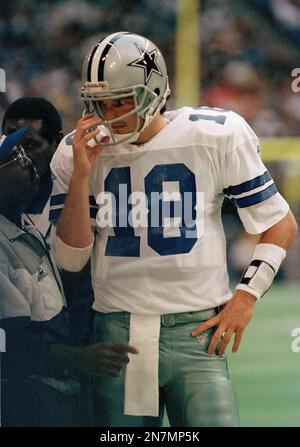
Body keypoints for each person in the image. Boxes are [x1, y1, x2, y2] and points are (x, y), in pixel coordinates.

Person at [50, 32, 298, 427]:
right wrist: (81, 175)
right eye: (100, 103)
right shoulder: (76, 152)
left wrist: (246, 297)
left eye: (121, 101)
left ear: (154, 91)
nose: (110, 114)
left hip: (195, 331)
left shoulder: (213, 134)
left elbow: (280, 223)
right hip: (117, 335)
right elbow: (70, 258)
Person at [0, 128, 137, 427]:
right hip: (24, 398)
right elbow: (8, 344)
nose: (27, 163)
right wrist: (77, 358)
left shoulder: (23, 225)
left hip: (55, 390)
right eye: (13, 159)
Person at [2, 96, 94, 346]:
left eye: (31, 145)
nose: (20, 155)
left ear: (56, 143)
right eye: (12, 143)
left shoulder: (78, 197)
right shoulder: (7, 203)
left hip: (82, 337)